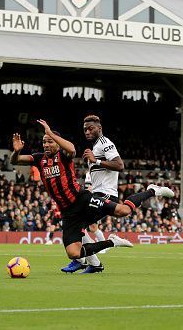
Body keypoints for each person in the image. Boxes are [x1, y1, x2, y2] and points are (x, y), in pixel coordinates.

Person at [11, 119, 174, 268]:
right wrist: (16, 151)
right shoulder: (39, 159)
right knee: (73, 252)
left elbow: (73, 149)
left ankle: (152, 190)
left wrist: (51, 132)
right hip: (67, 212)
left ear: (57, 144)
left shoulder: (64, 155)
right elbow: (14, 161)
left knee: (123, 211)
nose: (46, 145)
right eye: (44, 142)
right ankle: (110, 244)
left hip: (82, 199)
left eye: (50, 142)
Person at [62, 115, 125, 274]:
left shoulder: (105, 143)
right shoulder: (96, 147)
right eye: (85, 130)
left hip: (106, 195)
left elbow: (119, 165)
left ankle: (86, 259)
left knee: (76, 223)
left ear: (99, 128)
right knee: (78, 225)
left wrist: (95, 161)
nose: (87, 132)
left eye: (91, 128)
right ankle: (92, 263)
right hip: (97, 193)